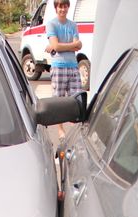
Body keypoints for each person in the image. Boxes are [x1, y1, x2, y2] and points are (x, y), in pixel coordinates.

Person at [45, 0, 82, 137]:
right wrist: (69, 46)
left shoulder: (73, 25)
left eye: (65, 6)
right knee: (58, 100)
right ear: (56, 8)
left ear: (68, 7)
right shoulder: (51, 24)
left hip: (73, 66)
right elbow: (57, 45)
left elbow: (78, 45)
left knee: (77, 98)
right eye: (60, 6)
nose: (63, 9)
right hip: (58, 66)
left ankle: (77, 130)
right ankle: (60, 130)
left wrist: (59, 46)